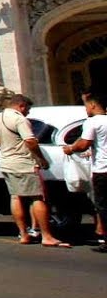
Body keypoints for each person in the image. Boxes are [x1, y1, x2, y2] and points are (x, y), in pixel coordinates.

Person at [0, 93, 72, 247]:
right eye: (28, 109)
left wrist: (2, 145)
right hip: (24, 163)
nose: (28, 113)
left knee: (16, 197)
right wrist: (41, 158)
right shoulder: (20, 119)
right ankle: (46, 236)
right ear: (21, 106)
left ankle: (23, 234)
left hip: (6, 162)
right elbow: (30, 141)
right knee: (37, 197)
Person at [62, 89, 107, 252]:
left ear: (93, 104)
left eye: (86, 105)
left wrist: (71, 148)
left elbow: (84, 143)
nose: (86, 109)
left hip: (103, 170)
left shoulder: (93, 122)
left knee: (103, 205)